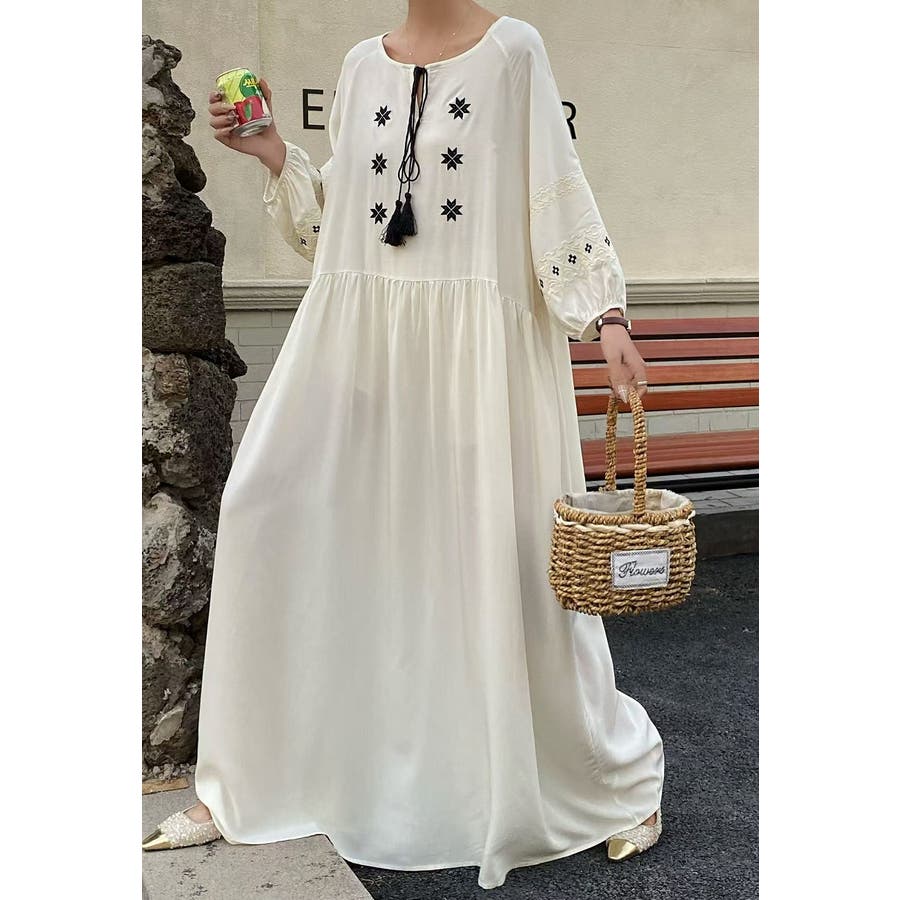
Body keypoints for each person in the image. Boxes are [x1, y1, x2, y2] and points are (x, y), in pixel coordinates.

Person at [142, 1, 663, 890]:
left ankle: (604, 781)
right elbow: (342, 226)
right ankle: (259, 774)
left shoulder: (513, 52)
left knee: (492, 566)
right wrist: (275, 156)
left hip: (479, 363)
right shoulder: (360, 66)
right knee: (268, 507)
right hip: (366, 348)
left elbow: (555, 190)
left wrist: (604, 314)